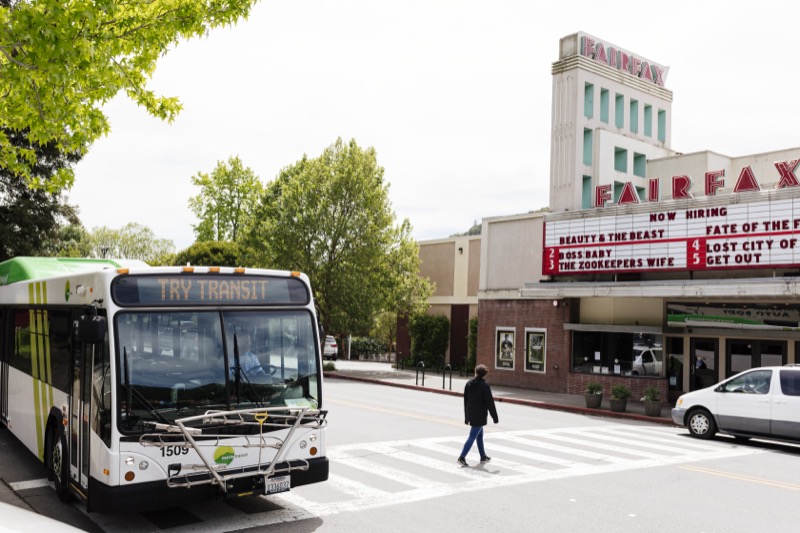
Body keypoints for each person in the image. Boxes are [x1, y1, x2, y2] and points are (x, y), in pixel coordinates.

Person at [458, 364, 499, 467]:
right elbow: (490, 403)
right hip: (480, 415)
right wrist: (495, 417)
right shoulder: (484, 386)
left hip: (471, 413)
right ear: (484, 375)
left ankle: (483, 456)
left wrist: (467, 416)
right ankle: (462, 457)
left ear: (475, 372)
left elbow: (465, 401)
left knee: (479, 435)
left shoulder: (468, 384)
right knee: (472, 436)